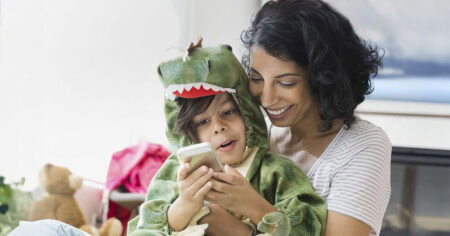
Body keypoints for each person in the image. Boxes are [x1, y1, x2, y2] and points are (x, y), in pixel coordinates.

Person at [127, 41, 327, 235]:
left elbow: (310, 226)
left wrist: (253, 206)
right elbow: (144, 228)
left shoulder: (275, 172)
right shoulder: (175, 173)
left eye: (228, 112)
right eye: (202, 122)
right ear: (190, 133)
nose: (218, 127)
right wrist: (183, 207)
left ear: (246, 113)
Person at [235, 0, 391, 236]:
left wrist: (254, 208)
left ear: (323, 78)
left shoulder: (362, 145)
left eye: (286, 82)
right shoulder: (257, 133)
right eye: (257, 78)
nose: (266, 100)